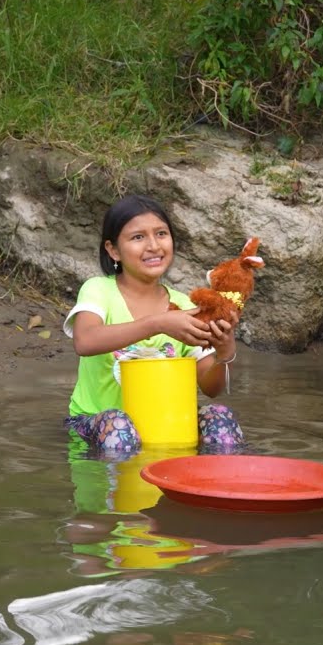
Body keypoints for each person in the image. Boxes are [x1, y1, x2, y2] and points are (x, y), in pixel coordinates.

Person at [63, 194, 245, 453]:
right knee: (119, 424)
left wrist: (225, 351)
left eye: (161, 234)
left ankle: (213, 487)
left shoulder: (183, 304)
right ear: (113, 249)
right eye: (138, 237)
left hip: (165, 426)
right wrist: (158, 323)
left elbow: (211, 388)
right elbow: (85, 340)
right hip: (97, 421)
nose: (153, 246)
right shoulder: (98, 290)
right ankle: (122, 492)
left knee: (219, 418)